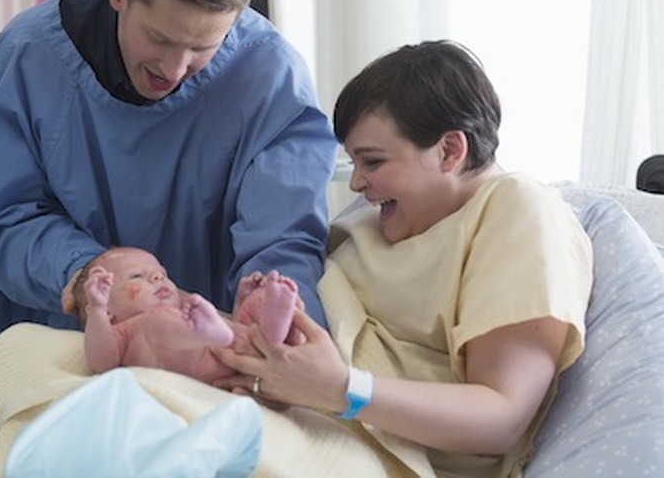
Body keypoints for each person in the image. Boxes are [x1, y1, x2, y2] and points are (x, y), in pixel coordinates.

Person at [0, 0, 337, 453]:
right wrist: (95, 279)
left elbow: (284, 236)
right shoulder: (29, 57)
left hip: (207, 360)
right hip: (63, 340)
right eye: (162, 39)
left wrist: (271, 313)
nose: (174, 71)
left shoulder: (270, 76)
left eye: (203, 47)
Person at [214, 40, 593, 477]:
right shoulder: (382, 220)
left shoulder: (517, 210)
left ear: (450, 150)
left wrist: (341, 389)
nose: (356, 183)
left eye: (372, 162)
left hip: (374, 450)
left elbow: (501, 417)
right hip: (289, 410)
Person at [73, 246, 301, 382]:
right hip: (195, 359)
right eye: (136, 276)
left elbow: (227, 336)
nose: (157, 278)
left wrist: (241, 302)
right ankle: (255, 329)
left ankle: (272, 329)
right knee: (159, 319)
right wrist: (97, 311)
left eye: (161, 273)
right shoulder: (125, 331)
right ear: (109, 311)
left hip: (229, 350)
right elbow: (101, 362)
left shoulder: (190, 313)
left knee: (252, 309)